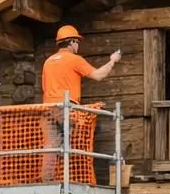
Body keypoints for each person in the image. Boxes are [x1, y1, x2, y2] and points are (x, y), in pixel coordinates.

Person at [40, 25, 121, 179]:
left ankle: (47, 180)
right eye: (76, 41)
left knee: (50, 146)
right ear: (70, 42)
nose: (78, 45)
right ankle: (69, 178)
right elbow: (98, 75)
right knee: (75, 141)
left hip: (47, 109)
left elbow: (45, 87)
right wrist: (112, 61)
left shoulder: (48, 62)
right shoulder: (74, 59)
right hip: (66, 110)